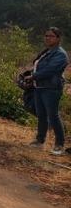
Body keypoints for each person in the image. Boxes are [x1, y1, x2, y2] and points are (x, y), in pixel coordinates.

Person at [29, 27, 68, 156]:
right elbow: (38, 66)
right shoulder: (47, 51)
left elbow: (49, 70)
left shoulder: (60, 54)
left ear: (58, 38)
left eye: (51, 36)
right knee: (41, 115)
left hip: (51, 88)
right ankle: (40, 140)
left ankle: (59, 144)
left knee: (53, 116)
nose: (47, 38)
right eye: (46, 35)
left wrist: (33, 76)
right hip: (40, 87)